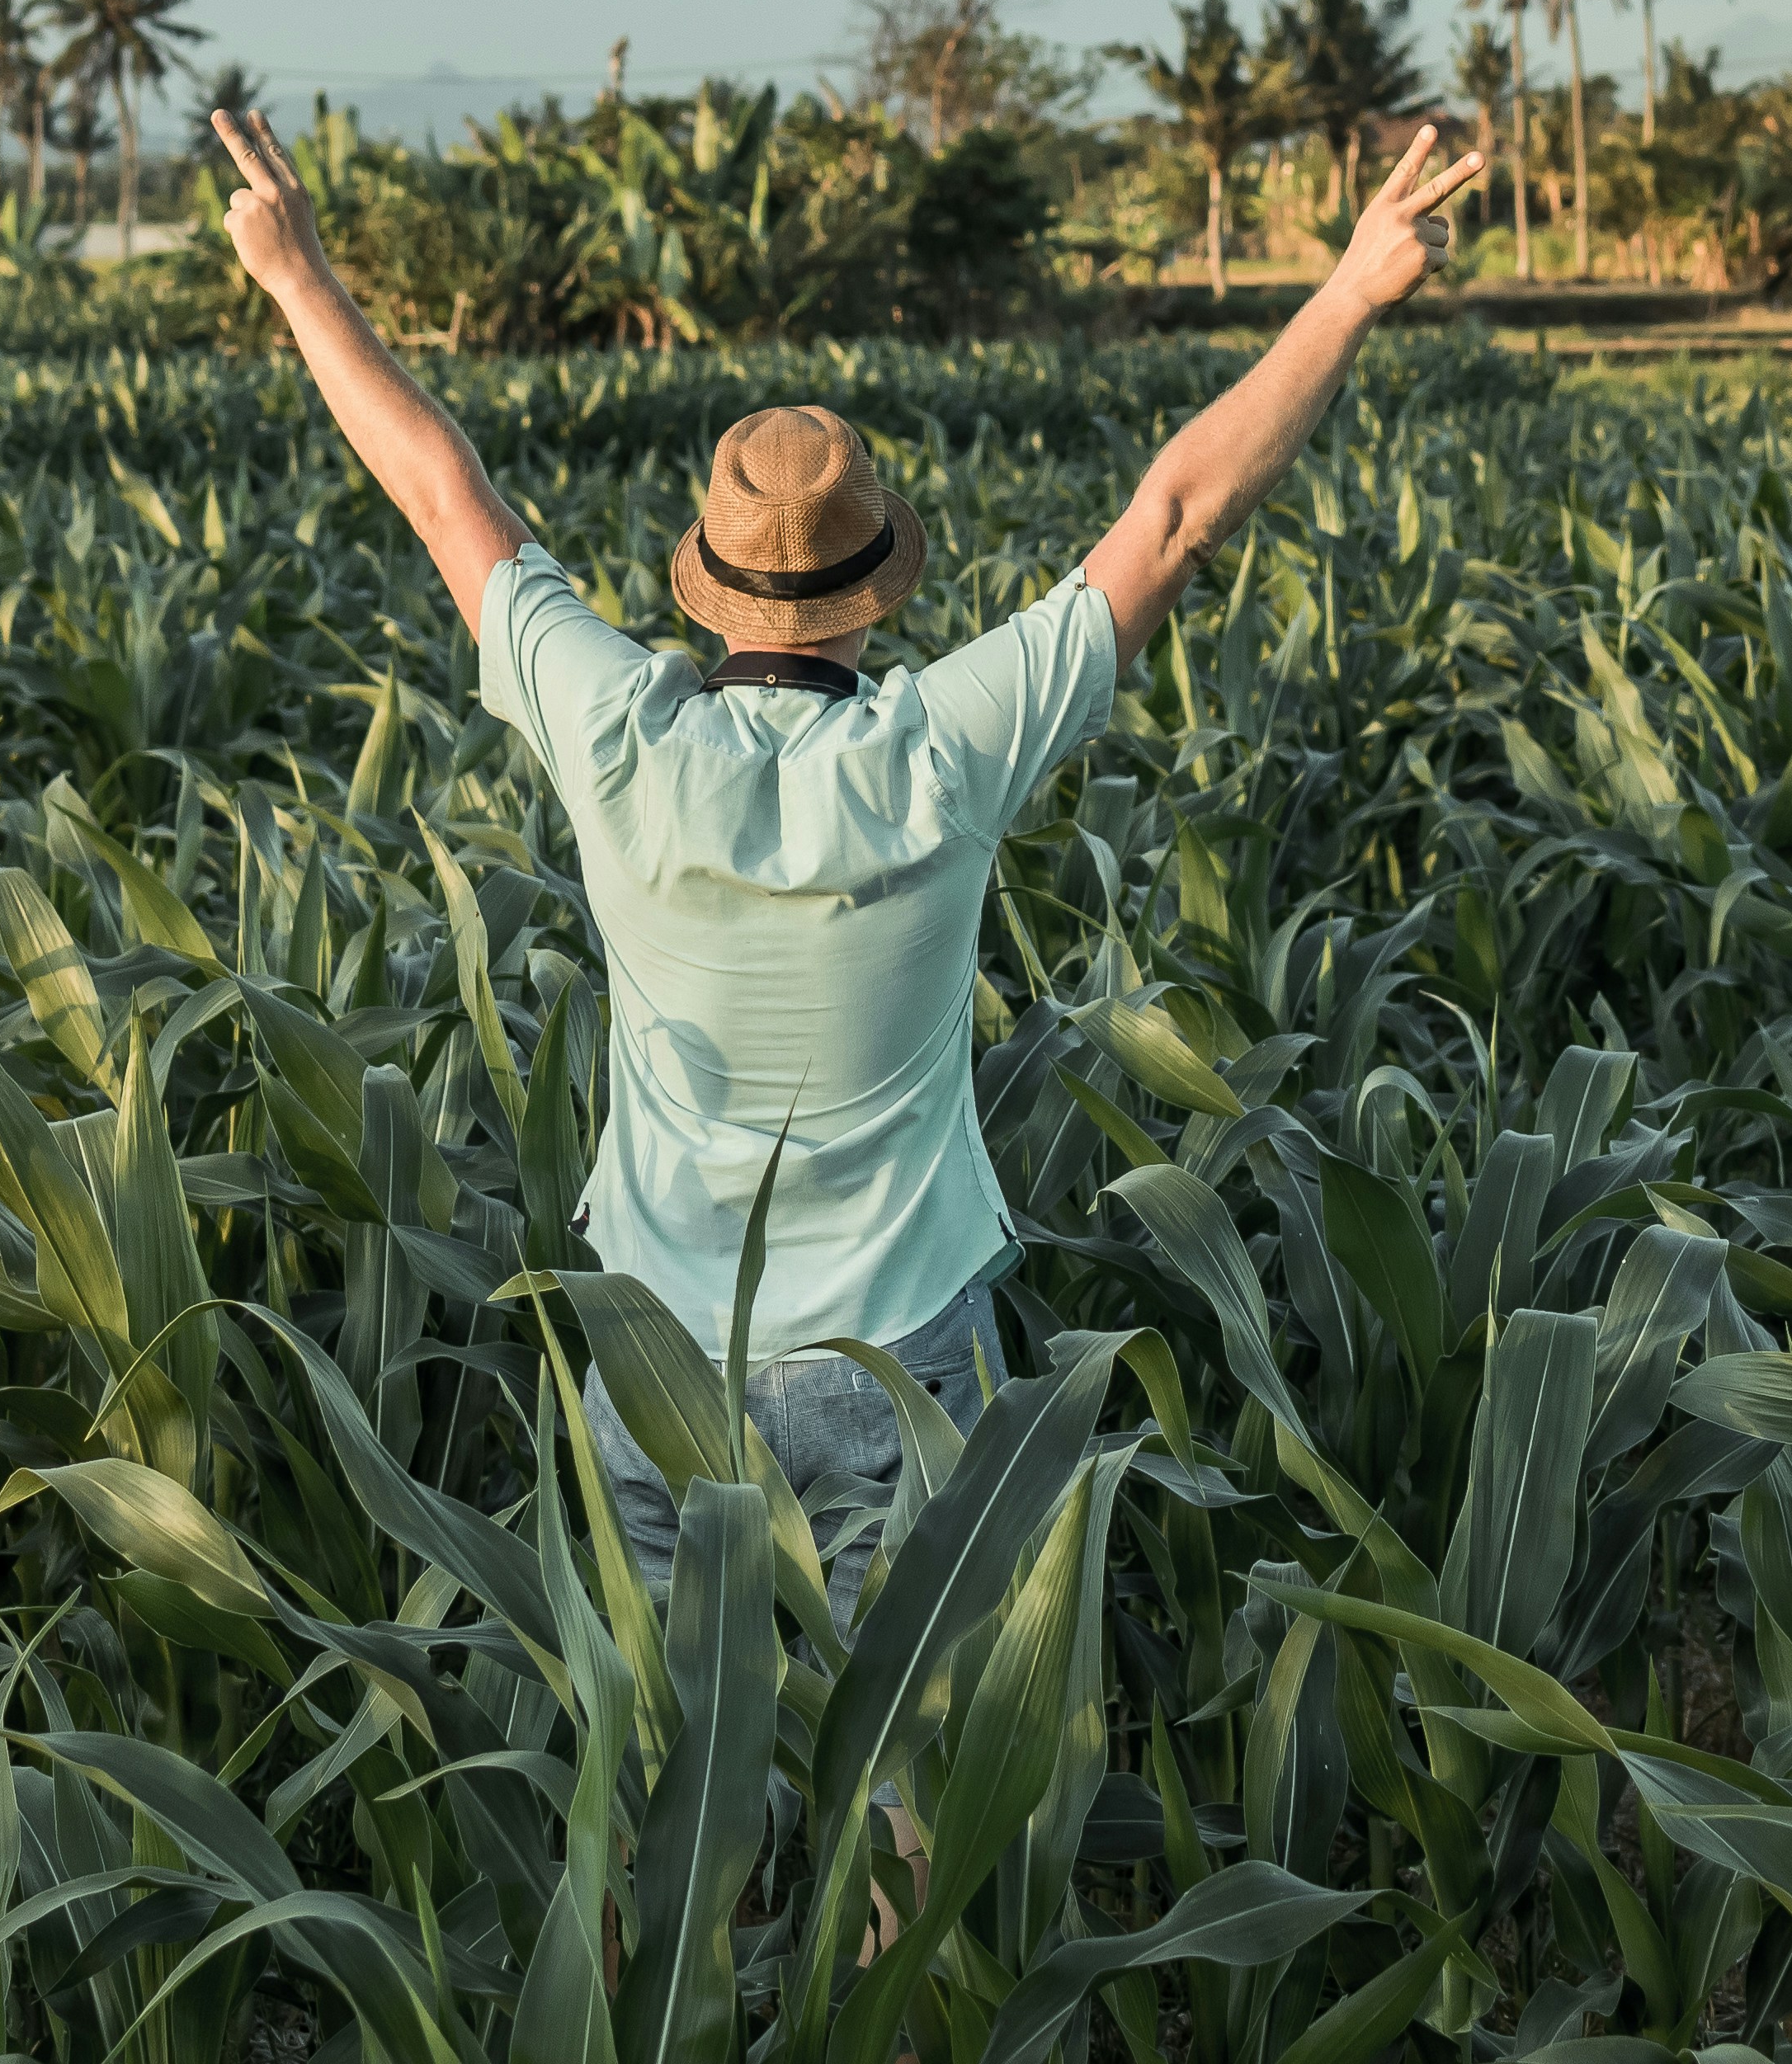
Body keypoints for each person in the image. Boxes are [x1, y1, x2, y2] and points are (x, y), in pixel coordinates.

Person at [205, 103, 1483, 1609]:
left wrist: (296, 278)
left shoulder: (616, 733)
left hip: (661, 1354)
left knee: (687, 1773)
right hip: (899, 1359)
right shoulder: (944, 746)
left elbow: (440, 491)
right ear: (871, 596)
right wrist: (1346, 293)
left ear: (708, 590)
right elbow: (1180, 513)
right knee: (903, 1774)